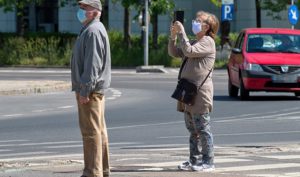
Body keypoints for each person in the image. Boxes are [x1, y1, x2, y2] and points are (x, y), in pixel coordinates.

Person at [168, 11, 219, 172]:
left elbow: (189, 51)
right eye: (195, 19)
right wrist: (173, 36)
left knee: (202, 128)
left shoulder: (208, 42)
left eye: (199, 21)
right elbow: (175, 53)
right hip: (188, 90)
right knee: (192, 129)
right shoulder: (193, 41)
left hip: (200, 93)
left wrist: (182, 31)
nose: (195, 23)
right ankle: (194, 160)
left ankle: (208, 161)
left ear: (207, 27)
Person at [71, 0, 111, 177]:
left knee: (90, 133)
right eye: (80, 8)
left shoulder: (93, 31)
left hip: (90, 90)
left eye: (85, 8)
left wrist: (84, 90)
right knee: (98, 131)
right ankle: (101, 169)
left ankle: (93, 172)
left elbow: (92, 65)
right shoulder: (92, 29)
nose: (81, 11)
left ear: (95, 12)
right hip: (94, 89)